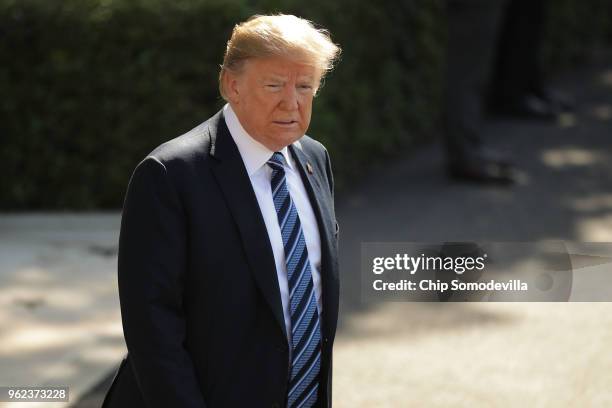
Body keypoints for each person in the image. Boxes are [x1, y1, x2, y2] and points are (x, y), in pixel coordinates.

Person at [102, 14, 341, 408]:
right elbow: (153, 331)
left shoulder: (315, 158)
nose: (292, 102)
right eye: (274, 85)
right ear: (231, 85)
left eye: (305, 86)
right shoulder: (169, 175)